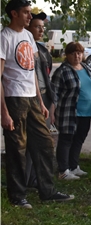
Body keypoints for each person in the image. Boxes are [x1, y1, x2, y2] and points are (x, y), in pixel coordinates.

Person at [1, 0, 74, 208]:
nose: (29, 16)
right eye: (25, 12)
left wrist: (40, 101)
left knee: (44, 143)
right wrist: (4, 112)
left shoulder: (27, 36)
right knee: (17, 148)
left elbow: (31, 71)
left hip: (32, 97)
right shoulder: (4, 38)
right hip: (14, 98)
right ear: (14, 14)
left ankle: (47, 190)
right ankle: (17, 196)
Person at [51, 42, 91, 180]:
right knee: (66, 140)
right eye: (73, 53)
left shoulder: (86, 68)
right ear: (67, 55)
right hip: (69, 112)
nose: (77, 56)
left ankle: (73, 166)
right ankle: (63, 170)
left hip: (87, 112)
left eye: (79, 53)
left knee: (79, 139)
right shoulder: (62, 71)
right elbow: (54, 94)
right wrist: (52, 113)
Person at [25, 12, 55, 187]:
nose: (41, 30)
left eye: (43, 27)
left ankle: (36, 178)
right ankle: (27, 178)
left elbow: (47, 74)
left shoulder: (42, 49)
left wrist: (52, 101)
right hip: (29, 97)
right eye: (37, 27)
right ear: (28, 28)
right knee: (29, 140)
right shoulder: (22, 45)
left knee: (43, 140)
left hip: (44, 95)